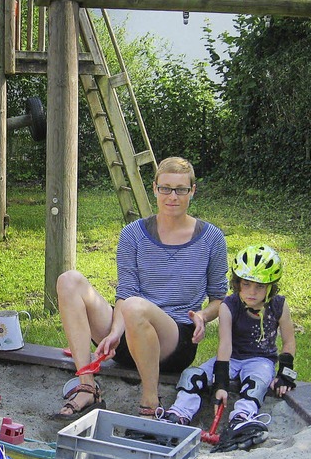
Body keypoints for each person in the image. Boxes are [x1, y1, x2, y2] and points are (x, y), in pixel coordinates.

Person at [55, 156, 228, 420]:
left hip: (175, 339)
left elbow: (219, 298)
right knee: (69, 280)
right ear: (155, 188)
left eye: (181, 189)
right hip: (127, 332)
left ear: (192, 191)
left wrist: (203, 316)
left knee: (136, 306)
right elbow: (126, 291)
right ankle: (87, 384)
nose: (172, 196)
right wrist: (114, 332)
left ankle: (150, 401)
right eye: (165, 188)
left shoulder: (212, 238)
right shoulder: (133, 234)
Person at [159, 244, 297, 452]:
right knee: (192, 375)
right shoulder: (229, 305)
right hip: (230, 357)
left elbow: (288, 340)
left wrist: (285, 374)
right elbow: (224, 345)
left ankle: (242, 418)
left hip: (260, 360)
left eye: (259, 286)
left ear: (270, 286)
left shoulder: (279, 305)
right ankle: (177, 415)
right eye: (246, 284)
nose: (252, 292)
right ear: (237, 283)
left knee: (256, 383)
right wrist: (220, 382)